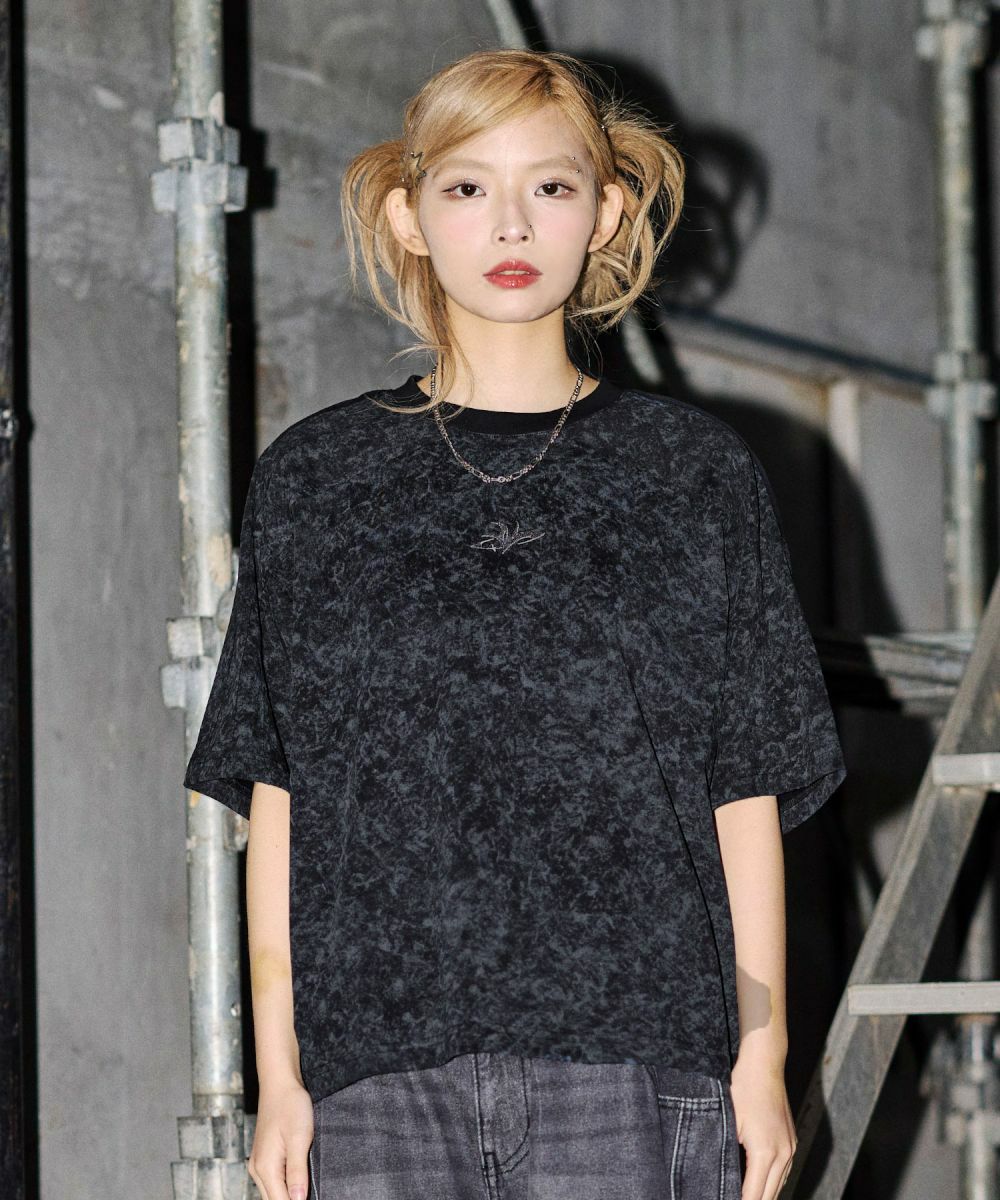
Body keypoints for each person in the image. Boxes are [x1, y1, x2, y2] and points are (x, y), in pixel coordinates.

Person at [184, 47, 846, 1200]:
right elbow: (279, 788)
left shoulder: (691, 475)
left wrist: (763, 1055)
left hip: (637, 1061)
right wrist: (277, 1078)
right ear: (408, 215)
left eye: (549, 185)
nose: (510, 223)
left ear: (605, 213)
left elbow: (743, 784)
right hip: (377, 1074)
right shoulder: (317, 479)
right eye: (466, 186)